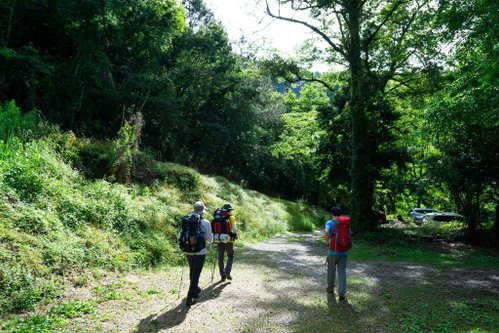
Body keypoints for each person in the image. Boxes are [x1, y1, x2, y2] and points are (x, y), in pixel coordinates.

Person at [184, 201, 213, 306]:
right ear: (202, 212)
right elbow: (210, 239)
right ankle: (190, 297)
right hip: (200, 252)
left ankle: (195, 289)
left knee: (192, 271)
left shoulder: (186, 220)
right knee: (196, 273)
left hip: (187, 249)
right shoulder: (205, 222)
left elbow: (180, 235)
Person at [325, 206, 351, 301]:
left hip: (333, 252)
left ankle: (330, 289)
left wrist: (327, 243)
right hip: (344, 251)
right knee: (342, 272)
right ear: (340, 214)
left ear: (331, 214)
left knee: (331, 270)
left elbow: (326, 231)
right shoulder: (345, 223)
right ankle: (341, 293)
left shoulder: (330, 222)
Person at [217, 203, 237, 281]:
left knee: (220, 257)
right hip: (228, 240)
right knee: (230, 256)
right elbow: (234, 229)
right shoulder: (231, 217)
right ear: (230, 210)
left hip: (218, 239)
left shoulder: (218, 217)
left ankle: (222, 275)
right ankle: (227, 272)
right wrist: (235, 235)